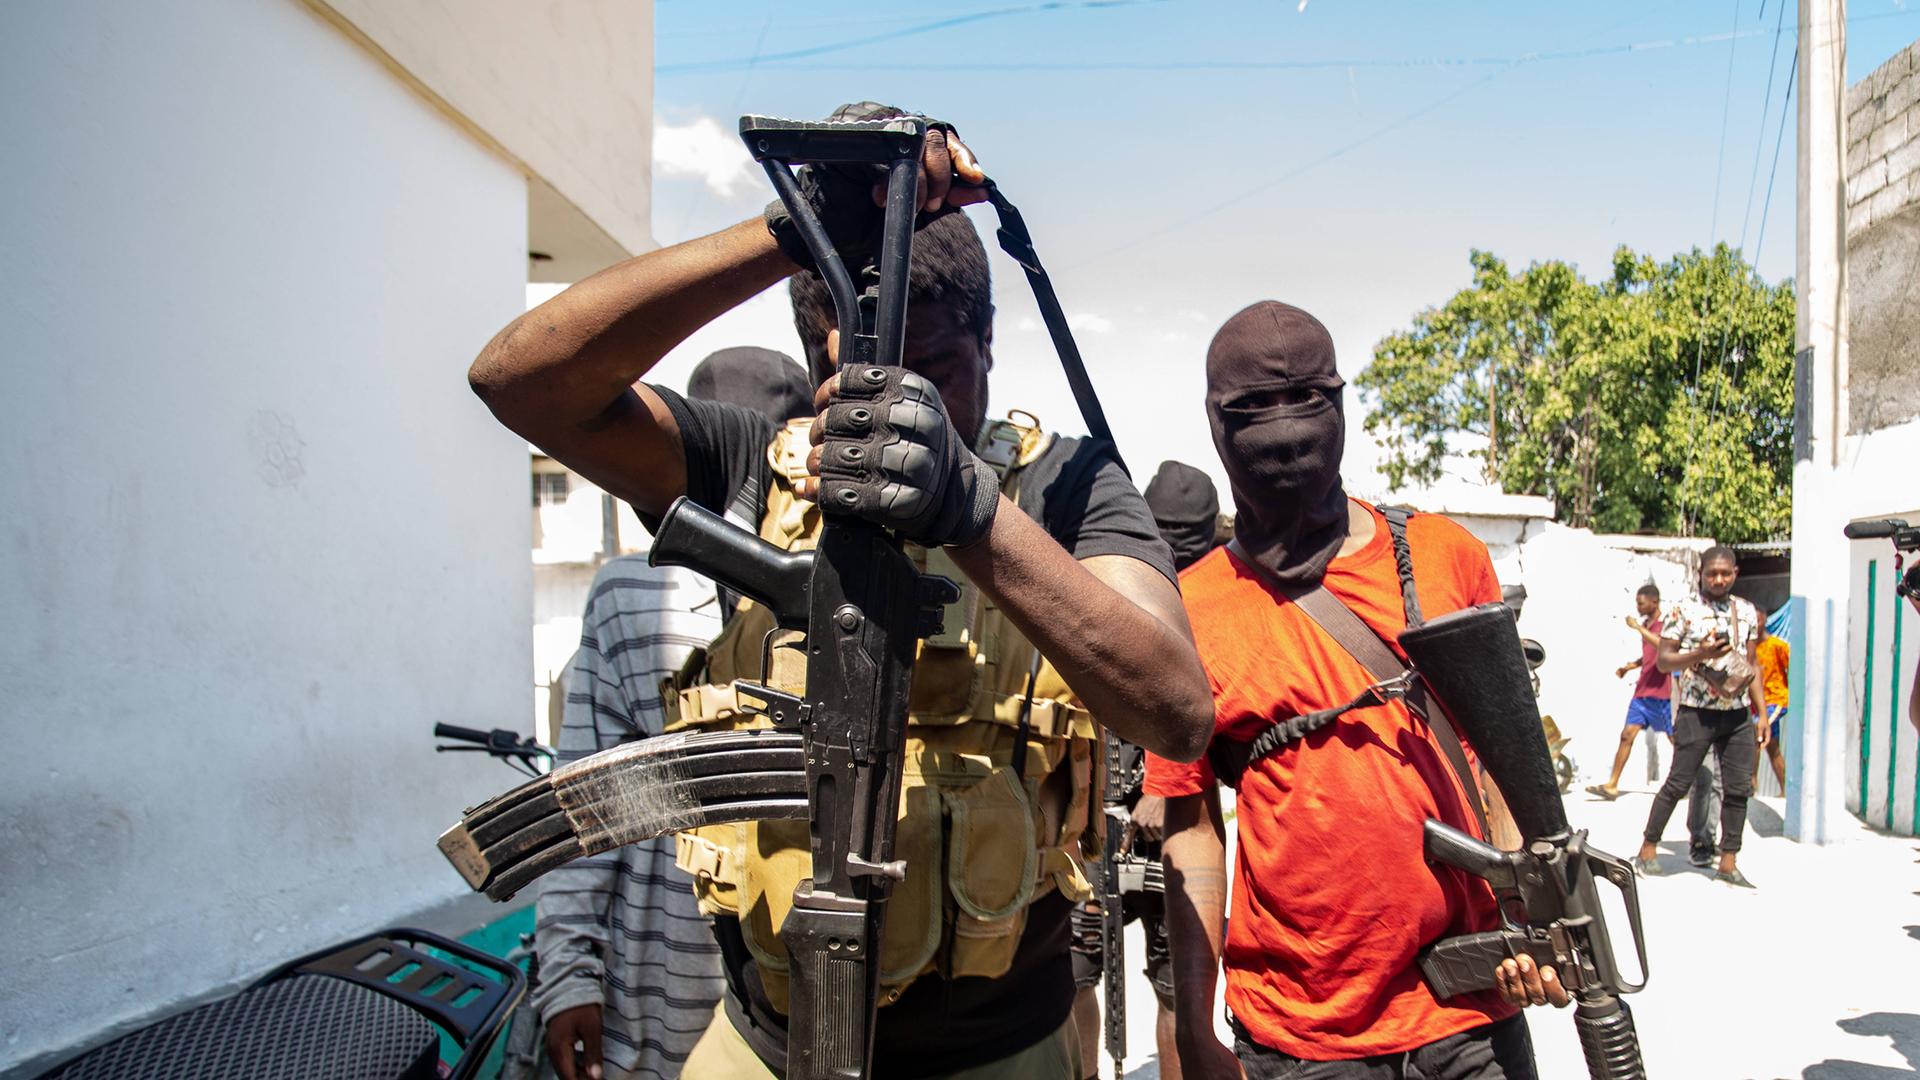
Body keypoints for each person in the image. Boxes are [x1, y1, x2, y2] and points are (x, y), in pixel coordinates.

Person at [468, 102, 1213, 1079]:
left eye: (941, 369)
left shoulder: (1066, 489)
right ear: (825, 357)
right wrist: (790, 230)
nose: (914, 406)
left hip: (993, 1052)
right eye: (880, 376)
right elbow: (520, 380)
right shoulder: (752, 462)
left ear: (988, 342)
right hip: (766, 1042)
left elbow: (1177, 709)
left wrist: (967, 506)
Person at [1153, 302, 1562, 1080]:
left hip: (1472, 1003)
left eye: (1303, 402)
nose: (1282, 431)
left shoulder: (1446, 558)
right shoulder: (1192, 609)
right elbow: (1193, 827)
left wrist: (1533, 926)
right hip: (1300, 1035)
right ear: (1217, 425)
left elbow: (1500, 764)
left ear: (1339, 409)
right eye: (1254, 412)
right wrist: (1195, 1025)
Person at [533, 348, 815, 1080]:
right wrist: (568, 974)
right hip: (665, 974)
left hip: (801, 964)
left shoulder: (833, 599)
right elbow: (582, 801)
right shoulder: (631, 594)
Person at [1069, 460, 1221, 1080]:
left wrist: (1165, 786)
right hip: (1097, 826)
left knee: (1175, 987)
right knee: (1073, 971)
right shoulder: (1116, 576)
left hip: (1176, 829)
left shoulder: (1216, 597)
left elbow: (1206, 713)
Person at [1634, 547, 1768, 888]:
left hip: (1737, 714)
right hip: (1697, 712)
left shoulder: (1746, 611)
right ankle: (1648, 849)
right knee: (1678, 783)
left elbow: (1751, 666)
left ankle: (1728, 861)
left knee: (1738, 790)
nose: (1718, 579)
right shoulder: (1684, 610)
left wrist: (1761, 713)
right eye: (1712, 573)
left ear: (1735, 573)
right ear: (1701, 574)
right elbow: (1664, 661)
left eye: (1725, 573)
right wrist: (1702, 653)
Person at [1754, 608, 1789, 793]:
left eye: (1758, 620)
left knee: (1755, 734)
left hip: (1776, 700)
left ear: (1764, 620)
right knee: (1771, 747)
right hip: (1758, 703)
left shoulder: (1777, 645)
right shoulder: (1749, 648)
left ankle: (1750, 787)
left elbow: (1794, 668)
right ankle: (1785, 789)